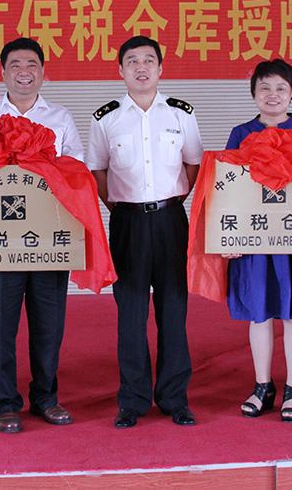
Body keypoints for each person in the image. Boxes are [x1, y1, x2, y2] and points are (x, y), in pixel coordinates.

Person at [0, 37, 85, 434]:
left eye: (31, 64)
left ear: (43, 72)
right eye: (15, 65)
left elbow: (77, 171)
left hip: (48, 238)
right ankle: (5, 403)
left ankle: (46, 397)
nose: (23, 72)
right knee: (1, 325)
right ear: (2, 72)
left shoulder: (60, 117)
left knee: (50, 323)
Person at [86, 35, 203, 428]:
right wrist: (120, 207)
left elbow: (194, 165)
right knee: (131, 314)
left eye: (148, 60)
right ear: (120, 70)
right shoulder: (105, 118)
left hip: (171, 221)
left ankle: (174, 398)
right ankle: (133, 400)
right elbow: (98, 171)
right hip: (128, 222)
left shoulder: (181, 114)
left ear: (160, 68)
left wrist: (172, 202)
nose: (141, 67)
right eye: (132, 61)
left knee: (174, 309)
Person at [222, 59, 292, 423]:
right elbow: (228, 189)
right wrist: (228, 236)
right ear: (254, 93)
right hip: (254, 241)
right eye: (265, 88)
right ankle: (262, 385)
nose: (272, 95)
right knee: (259, 314)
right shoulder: (240, 134)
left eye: (280, 89)